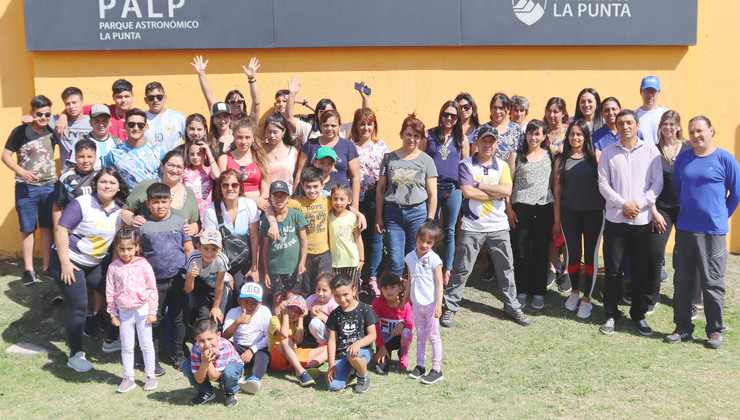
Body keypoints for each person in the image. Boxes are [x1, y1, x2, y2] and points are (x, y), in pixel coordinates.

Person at [440, 125, 529, 328]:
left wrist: (479, 185)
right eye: (484, 141)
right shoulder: (466, 164)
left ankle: (511, 305)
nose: (487, 145)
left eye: (491, 141)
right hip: (473, 226)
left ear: (497, 144)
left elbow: (506, 190)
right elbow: (467, 193)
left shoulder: (504, 166)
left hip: (499, 225)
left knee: (506, 268)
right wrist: (494, 192)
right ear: (476, 143)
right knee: (462, 268)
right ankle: (450, 306)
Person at [667, 116, 740, 349]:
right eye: (692, 132)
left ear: (711, 131)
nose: (696, 135)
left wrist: (719, 215)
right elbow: (679, 189)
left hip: (713, 233)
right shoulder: (684, 159)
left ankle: (715, 331)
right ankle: (683, 327)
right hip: (686, 230)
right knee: (682, 281)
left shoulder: (726, 159)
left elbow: (736, 194)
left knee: (712, 283)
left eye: (700, 131)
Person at [49, 167, 128, 372]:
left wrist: (113, 269)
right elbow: (61, 229)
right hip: (69, 261)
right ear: (96, 184)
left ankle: (110, 341)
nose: (107, 186)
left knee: (117, 296)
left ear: (118, 186)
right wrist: (65, 262)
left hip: (94, 263)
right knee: (79, 305)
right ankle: (75, 355)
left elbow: (116, 244)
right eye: (103, 182)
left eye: (112, 182)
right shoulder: (82, 203)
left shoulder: (120, 211)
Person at [598, 110, 663, 336]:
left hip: (642, 221)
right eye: (620, 123)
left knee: (639, 270)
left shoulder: (651, 151)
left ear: (636, 125)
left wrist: (638, 205)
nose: (625, 126)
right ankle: (610, 313)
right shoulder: (608, 152)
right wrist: (623, 204)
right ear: (616, 127)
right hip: (615, 220)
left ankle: (638, 315)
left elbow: (657, 184)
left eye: (629, 123)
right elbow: (603, 185)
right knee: (613, 270)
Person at [138, 182, 195, 373]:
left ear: (170, 201)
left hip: (178, 279)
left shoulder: (180, 223)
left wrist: (190, 274)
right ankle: (151, 357)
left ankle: (178, 354)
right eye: (155, 202)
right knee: (155, 319)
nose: (160, 206)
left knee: (178, 318)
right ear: (148, 204)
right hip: (153, 283)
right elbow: (137, 256)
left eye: (164, 201)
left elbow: (189, 250)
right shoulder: (143, 226)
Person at [3, 95, 58, 286]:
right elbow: (5, 155)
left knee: (46, 228)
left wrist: (64, 117)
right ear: (31, 113)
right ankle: (28, 270)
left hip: (49, 186)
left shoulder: (52, 129)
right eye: (39, 114)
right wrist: (22, 172)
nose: (43, 117)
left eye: (47, 114)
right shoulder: (20, 131)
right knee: (27, 229)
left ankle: (46, 267)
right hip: (26, 188)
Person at [553, 120, 605, 318]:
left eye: (579, 134)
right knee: (573, 254)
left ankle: (587, 299)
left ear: (586, 136)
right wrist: (557, 221)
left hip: (594, 213)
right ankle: (575, 292)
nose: (575, 138)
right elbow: (557, 194)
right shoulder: (561, 160)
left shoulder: (596, 157)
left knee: (590, 256)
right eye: (572, 134)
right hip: (569, 214)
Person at [375, 114, 438, 276]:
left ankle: (413, 299)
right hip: (393, 215)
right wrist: (379, 216)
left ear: (421, 138)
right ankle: (397, 299)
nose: (412, 139)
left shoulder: (426, 160)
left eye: (416, 136)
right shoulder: (389, 158)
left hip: (417, 214)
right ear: (401, 134)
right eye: (408, 134)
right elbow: (381, 188)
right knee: (396, 261)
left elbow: (432, 193)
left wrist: (429, 221)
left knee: (415, 259)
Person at [647, 111, 692, 314]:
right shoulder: (654, 151)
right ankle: (651, 297)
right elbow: (647, 183)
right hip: (661, 209)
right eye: (664, 124)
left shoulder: (689, 148)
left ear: (678, 127)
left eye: (672, 124)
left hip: (685, 209)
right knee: (655, 253)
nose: (668, 127)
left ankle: (685, 300)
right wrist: (654, 211)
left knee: (683, 256)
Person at [506, 120, 554, 309]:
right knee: (521, 251)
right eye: (530, 133)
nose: (533, 137)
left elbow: (552, 183)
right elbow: (508, 185)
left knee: (541, 250)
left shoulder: (550, 155)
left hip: (543, 207)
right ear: (525, 135)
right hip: (521, 208)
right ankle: (522, 290)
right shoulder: (516, 155)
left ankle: (539, 291)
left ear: (544, 136)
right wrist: (508, 209)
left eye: (538, 134)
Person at [105, 227, 158, 393]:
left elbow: (152, 288)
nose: (126, 253)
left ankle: (150, 376)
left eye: (129, 249)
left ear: (136, 247)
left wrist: (152, 312)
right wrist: (113, 313)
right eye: (121, 249)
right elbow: (110, 291)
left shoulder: (143, 265)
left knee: (146, 345)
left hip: (143, 311)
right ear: (116, 248)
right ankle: (129, 378)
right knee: (127, 346)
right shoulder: (113, 267)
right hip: (124, 313)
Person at [424, 101, 469, 285]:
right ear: (441, 114)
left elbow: (466, 165)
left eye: (453, 115)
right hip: (432, 189)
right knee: (430, 228)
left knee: (450, 230)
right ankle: (430, 264)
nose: (449, 118)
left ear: (458, 118)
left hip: (453, 190)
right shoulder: (430, 135)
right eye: (446, 114)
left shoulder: (462, 139)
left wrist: (465, 189)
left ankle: (447, 269)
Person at [348, 108, 388, 294]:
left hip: (375, 198)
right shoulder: (348, 145)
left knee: (375, 237)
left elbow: (387, 173)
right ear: (356, 125)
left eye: (369, 124)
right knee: (355, 237)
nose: (366, 127)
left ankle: (372, 277)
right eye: (362, 123)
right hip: (353, 199)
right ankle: (357, 277)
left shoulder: (380, 146)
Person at [203, 170, 261, 294]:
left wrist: (254, 267)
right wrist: (223, 272)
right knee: (225, 291)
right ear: (220, 188)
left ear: (240, 187)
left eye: (234, 185)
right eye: (225, 185)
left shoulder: (250, 205)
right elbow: (211, 245)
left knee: (245, 292)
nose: (230, 188)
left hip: (245, 260)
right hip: (220, 260)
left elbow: (254, 238)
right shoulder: (211, 211)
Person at [120, 149, 200, 237]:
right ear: (162, 166)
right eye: (170, 165)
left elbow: (196, 223)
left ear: (184, 170)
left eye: (179, 167)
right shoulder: (146, 186)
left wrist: (193, 229)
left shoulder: (189, 192)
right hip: (147, 246)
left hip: (178, 247)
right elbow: (125, 210)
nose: (174, 170)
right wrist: (132, 220)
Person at [403, 220, 444, 384]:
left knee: (434, 336)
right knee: (420, 336)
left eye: (429, 242)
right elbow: (410, 279)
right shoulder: (409, 257)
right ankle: (420, 365)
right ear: (416, 237)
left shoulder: (435, 260)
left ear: (434, 243)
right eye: (422, 240)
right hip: (417, 304)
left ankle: (437, 369)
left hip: (432, 304)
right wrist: (405, 299)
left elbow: (440, 283)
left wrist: (439, 304)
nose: (425, 245)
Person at [295, 109, 361, 206]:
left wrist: (355, 205)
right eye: (326, 125)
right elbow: (299, 173)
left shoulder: (348, 146)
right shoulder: (310, 145)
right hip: (313, 200)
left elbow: (355, 178)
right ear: (320, 126)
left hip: (340, 201)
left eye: (333, 125)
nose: (329, 128)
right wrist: (296, 195)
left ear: (340, 126)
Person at [326, 273, 379, 393]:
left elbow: (372, 335)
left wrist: (358, 344)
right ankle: (352, 370)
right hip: (342, 355)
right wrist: (331, 365)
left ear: (353, 290)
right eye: (337, 296)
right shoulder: (334, 314)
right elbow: (332, 341)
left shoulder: (365, 309)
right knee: (334, 387)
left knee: (353, 355)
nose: (342, 299)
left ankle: (363, 377)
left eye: (346, 294)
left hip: (362, 352)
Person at [259, 181, 308, 307]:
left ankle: (291, 325)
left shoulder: (296, 215)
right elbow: (264, 248)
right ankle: (277, 326)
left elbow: (304, 241)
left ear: (288, 198)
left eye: (283, 195)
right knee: (277, 300)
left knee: (292, 300)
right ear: (270, 198)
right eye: (276, 195)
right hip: (275, 268)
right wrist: (266, 272)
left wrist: (302, 263)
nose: (279, 198)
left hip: (294, 267)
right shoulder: (266, 220)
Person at [222, 282, 271, 395]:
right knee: (226, 347)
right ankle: (234, 375)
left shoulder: (265, 312)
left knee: (263, 356)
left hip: (257, 347)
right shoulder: (233, 312)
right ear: (239, 300)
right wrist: (237, 322)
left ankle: (254, 379)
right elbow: (226, 336)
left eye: (254, 303)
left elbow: (268, 337)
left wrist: (252, 350)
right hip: (238, 346)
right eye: (246, 302)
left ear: (260, 303)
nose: (249, 306)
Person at [182, 317, 243, 407]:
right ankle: (207, 391)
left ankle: (230, 392)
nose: (207, 345)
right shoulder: (196, 349)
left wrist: (207, 361)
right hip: (211, 370)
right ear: (196, 340)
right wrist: (204, 362)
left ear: (218, 335)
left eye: (210, 339)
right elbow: (199, 379)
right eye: (201, 341)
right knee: (186, 366)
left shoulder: (224, 346)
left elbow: (214, 377)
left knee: (230, 371)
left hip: (230, 370)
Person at [267, 294, 326, 386]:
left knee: (328, 348)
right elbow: (285, 334)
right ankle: (302, 373)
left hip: (293, 356)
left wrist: (301, 319)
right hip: (277, 357)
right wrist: (285, 314)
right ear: (286, 308)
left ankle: (306, 368)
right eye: (291, 309)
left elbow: (298, 341)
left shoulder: (295, 323)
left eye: (297, 312)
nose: (293, 313)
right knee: (287, 340)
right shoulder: (274, 319)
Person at [191, 55, 262, 124]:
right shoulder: (223, 123)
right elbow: (209, 98)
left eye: (240, 101)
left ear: (244, 104)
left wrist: (251, 78)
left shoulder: (249, 122)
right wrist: (201, 73)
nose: (237, 104)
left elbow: (256, 103)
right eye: (232, 102)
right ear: (227, 105)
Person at [218, 119, 270, 211]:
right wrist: (253, 200)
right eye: (239, 137)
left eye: (247, 137)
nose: (243, 141)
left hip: (258, 209)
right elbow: (224, 188)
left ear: (253, 138)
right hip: (233, 207)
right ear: (233, 136)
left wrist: (257, 212)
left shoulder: (261, 159)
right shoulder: (224, 159)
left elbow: (265, 191)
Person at [103, 108, 162, 188]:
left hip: (152, 199)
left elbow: (165, 179)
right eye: (131, 124)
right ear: (125, 126)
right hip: (124, 199)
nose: (136, 128)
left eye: (140, 125)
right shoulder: (114, 153)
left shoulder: (158, 152)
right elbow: (108, 181)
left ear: (146, 127)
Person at [184, 229, 230, 324]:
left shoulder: (222, 260)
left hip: (219, 288)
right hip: (202, 287)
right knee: (203, 317)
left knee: (217, 318)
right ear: (198, 247)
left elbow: (219, 284)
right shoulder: (194, 258)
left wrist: (215, 307)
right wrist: (192, 276)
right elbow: (187, 289)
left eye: (214, 249)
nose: (209, 254)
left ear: (220, 248)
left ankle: (217, 337)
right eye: (206, 248)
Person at [372, 272, 412, 374]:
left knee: (407, 332)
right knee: (381, 370)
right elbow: (374, 327)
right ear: (381, 289)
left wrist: (402, 324)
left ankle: (403, 354)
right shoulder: (377, 303)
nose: (389, 291)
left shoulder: (405, 303)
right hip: (383, 341)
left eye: (392, 287)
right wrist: (381, 348)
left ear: (399, 288)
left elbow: (410, 324)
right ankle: (384, 353)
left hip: (398, 339)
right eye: (385, 288)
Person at [48, 87, 91, 171]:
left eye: (74, 102)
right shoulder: (57, 122)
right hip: (68, 176)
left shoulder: (93, 122)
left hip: (89, 176)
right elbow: (39, 120)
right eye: (67, 104)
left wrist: (63, 115)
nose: (71, 106)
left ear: (82, 102)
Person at [474, 92, 523, 163]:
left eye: (501, 108)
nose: (497, 111)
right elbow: (475, 153)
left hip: (511, 172)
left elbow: (523, 153)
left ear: (508, 110)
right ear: (490, 109)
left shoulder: (516, 129)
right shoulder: (481, 129)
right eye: (495, 108)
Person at [143, 82, 186, 157]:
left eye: (159, 97)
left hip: (173, 165)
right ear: (146, 100)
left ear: (165, 98)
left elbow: (190, 142)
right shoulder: (141, 118)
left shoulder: (178, 117)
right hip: (147, 166)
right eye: (151, 98)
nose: (155, 100)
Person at [182, 136, 220, 220]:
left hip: (206, 213)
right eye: (192, 154)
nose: (195, 157)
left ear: (205, 155)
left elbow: (217, 176)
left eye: (199, 154)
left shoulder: (209, 170)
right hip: (189, 213)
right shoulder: (184, 171)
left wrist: (209, 154)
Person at [263, 112, 298, 193]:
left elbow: (296, 176)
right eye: (269, 132)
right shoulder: (261, 152)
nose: (272, 135)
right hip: (269, 197)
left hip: (289, 197)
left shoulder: (293, 152)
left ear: (283, 131)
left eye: (275, 132)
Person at [79, 104, 121, 170]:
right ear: (90, 122)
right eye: (97, 121)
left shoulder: (117, 142)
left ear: (110, 122)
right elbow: (72, 167)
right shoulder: (81, 141)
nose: (101, 125)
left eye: (104, 120)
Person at [306, 273, 338, 345]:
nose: (320, 293)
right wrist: (311, 311)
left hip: (334, 333)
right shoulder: (312, 299)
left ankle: (333, 344)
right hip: (322, 332)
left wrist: (323, 317)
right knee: (314, 323)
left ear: (332, 291)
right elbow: (303, 311)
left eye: (324, 290)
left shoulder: (334, 304)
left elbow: (337, 325)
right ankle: (323, 343)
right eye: (318, 289)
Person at [634, 76, 668, 145]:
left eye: (653, 91)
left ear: (658, 92)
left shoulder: (666, 114)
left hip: (662, 154)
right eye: (647, 91)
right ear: (641, 92)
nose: (650, 95)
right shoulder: (634, 115)